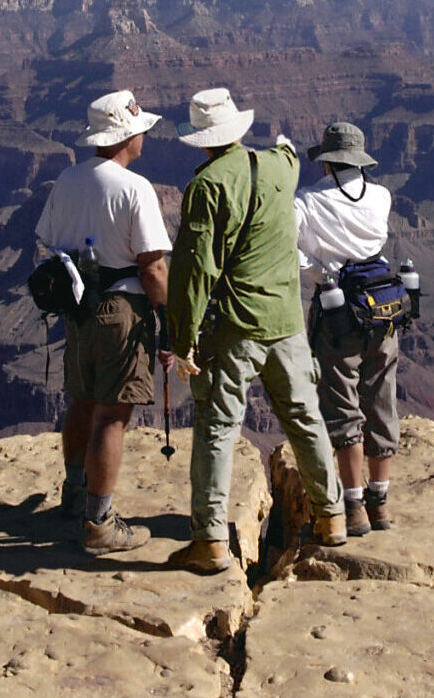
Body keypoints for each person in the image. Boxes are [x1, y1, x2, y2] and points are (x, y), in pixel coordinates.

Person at [164, 86, 346, 574]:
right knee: (305, 418)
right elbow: (288, 149)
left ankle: (209, 542)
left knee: (218, 427)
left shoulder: (206, 186)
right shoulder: (280, 167)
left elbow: (195, 269)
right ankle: (332, 518)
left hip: (236, 328)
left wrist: (182, 341)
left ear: (202, 140)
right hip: (287, 323)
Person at [35, 89, 173, 554]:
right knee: (113, 414)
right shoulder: (134, 188)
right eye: (140, 131)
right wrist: (168, 318)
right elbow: (153, 267)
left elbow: (47, 243)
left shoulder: (67, 181)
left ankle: (73, 497)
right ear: (126, 136)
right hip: (121, 312)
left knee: (82, 401)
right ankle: (100, 523)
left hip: (77, 310)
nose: (144, 138)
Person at [295, 121, 399, 535]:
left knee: (342, 403)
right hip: (384, 309)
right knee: (381, 397)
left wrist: (319, 269)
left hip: (338, 314)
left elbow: (293, 251)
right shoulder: (381, 195)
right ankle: (381, 503)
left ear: (326, 161)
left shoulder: (306, 202)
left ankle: (353, 506)